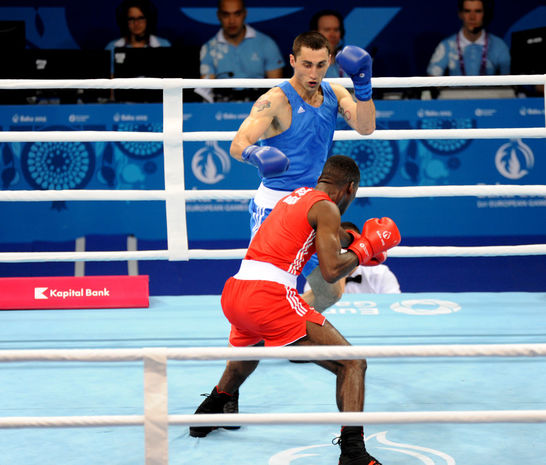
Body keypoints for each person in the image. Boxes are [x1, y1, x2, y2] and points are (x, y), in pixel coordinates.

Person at [189, 155, 401, 465]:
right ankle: (353, 452)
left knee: (246, 356)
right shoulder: (328, 208)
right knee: (352, 363)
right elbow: (331, 271)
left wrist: (356, 241)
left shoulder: (296, 197)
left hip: (235, 292)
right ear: (350, 188)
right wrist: (366, 248)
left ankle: (208, 412)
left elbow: (328, 236)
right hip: (269, 297)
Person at [230, 31, 376, 314]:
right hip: (275, 207)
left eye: (320, 65)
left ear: (330, 61)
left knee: (329, 291)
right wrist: (255, 154)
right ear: (292, 61)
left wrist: (363, 86)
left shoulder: (335, 94)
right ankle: (260, 330)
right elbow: (238, 144)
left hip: (311, 206)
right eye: (306, 64)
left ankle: (281, 327)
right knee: (264, 290)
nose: (313, 73)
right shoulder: (276, 100)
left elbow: (366, 127)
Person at [303, 222, 401, 298]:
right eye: (339, 246)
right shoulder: (319, 274)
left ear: (360, 246)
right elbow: (310, 309)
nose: (343, 251)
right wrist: (340, 273)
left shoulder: (380, 273)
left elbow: (394, 305)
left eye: (348, 246)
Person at [200, 0, 284, 80]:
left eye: (237, 14)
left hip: (261, 91)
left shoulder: (266, 43)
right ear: (219, 16)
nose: (232, 21)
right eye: (226, 14)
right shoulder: (208, 49)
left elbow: (276, 86)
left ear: (245, 13)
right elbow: (205, 87)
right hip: (221, 91)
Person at [427, 0, 510, 76]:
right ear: (460, 14)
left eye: (478, 11)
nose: (472, 17)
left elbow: (509, 81)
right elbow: (432, 78)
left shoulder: (499, 45)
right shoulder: (446, 45)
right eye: (467, 11)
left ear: (485, 14)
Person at [105, 0, 171, 75]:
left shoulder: (163, 45)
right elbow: (109, 78)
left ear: (149, 19)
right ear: (125, 21)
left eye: (141, 18)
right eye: (131, 19)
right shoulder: (112, 47)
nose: (136, 23)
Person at [309, 9, 347, 78]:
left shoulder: (348, 61)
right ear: (314, 34)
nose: (332, 35)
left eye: (336, 30)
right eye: (327, 30)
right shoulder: (304, 62)